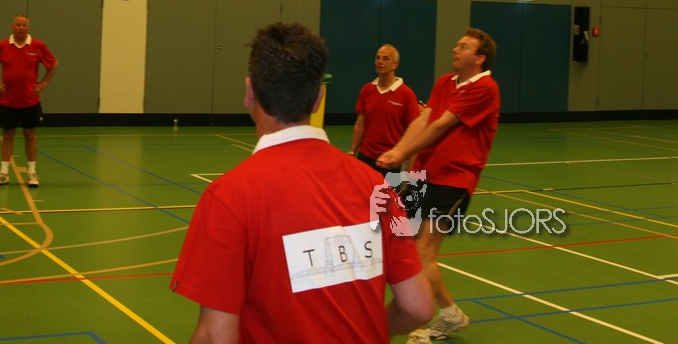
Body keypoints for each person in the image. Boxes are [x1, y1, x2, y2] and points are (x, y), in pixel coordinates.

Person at [171, 22, 433, 343]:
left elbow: (216, 335)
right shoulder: (377, 187)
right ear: (319, 98)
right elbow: (418, 307)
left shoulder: (229, 196)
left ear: (250, 92)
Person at [377, 28, 500, 344]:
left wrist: (401, 153)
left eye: (464, 47)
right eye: (457, 44)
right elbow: (423, 121)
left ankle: (428, 318)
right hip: (421, 176)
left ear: (480, 58)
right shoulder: (445, 82)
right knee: (398, 242)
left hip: (452, 180)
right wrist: (399, 152)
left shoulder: (485, 88)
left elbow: (442, 125)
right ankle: (449, 314)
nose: (455, 49)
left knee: (423, 251)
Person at [0, 14, 58, 188]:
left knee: (30, 135)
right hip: (7, 101)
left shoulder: (37, 45)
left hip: (30, 101)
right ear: (12, 27)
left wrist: (43, 82)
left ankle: (32, 173)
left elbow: (53, 63)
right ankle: (3, 173)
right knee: (8, 135)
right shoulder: (2, 46)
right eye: (18, 25)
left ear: (28, 27)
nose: (21, 28)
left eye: (24, 25)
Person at [351, 44, 420, 174]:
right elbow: (360, 124)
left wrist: (411, 167)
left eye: (386, 58)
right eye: (378, 58)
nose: (380, 62)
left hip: (391, 160)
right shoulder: (366, 90)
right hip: (366, 157)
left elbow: (414, 132)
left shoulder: (407, 95)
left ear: (395, 64)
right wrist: (353, 152)